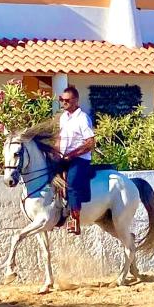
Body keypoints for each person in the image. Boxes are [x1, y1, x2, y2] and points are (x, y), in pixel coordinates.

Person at [58, 86, 95, 235]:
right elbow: (60, 138)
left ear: (76, 100)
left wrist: (71, 155)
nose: (63, 103)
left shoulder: (83, 118)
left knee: (71, 184)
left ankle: (75, 221)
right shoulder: (63, 117)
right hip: (64, 157)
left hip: (79, 159)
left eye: (67, 100)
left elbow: (90, 143)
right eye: (61, 100)